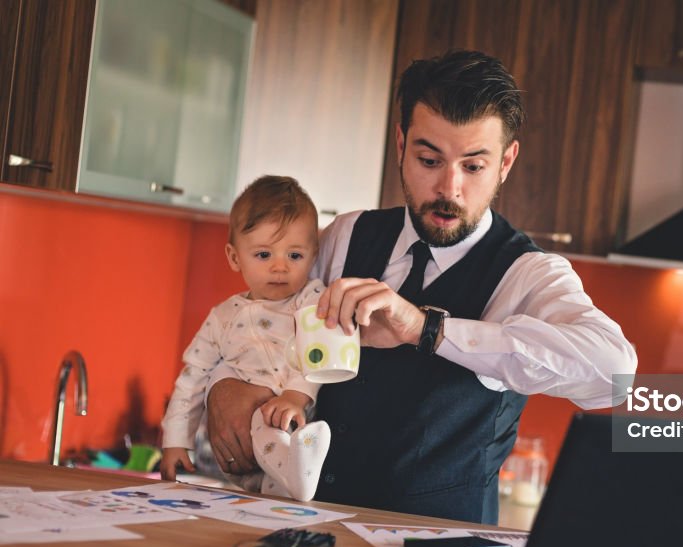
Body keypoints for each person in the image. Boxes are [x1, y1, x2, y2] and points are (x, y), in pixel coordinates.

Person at [206, 50, 637, 523]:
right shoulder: (347, 234)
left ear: (506, 162)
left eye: (473, 167)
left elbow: (614, 376)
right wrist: (223, 386)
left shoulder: (528, 272)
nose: (448, 189)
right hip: (310, 528)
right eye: (429, 159)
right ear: (400, 144)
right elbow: (268, 323)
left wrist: (425, 329)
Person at [160, 175, 331, 502]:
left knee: (265, 422)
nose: (280, 268)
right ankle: (295, 476)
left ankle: (299, 471)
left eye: (294, 256)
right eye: (264, 255)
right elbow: (192, 379)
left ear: (313, 255)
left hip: (292, 417)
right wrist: (175, 441)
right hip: (241, 448)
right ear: (235, 257)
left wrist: (295, 397)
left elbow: (319, 353)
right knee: (265, 493)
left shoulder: (311, 301)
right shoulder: (223, 317)